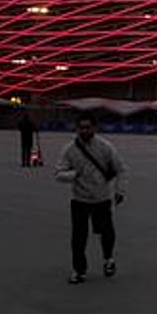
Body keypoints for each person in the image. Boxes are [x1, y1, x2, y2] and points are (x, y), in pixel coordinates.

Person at [55, 113, 128, 284]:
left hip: (102, 198)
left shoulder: (105, 147)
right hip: (80, 199)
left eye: (88, 127)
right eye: (81, 127)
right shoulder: (69, 150)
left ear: (95, 128)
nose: (84, 131)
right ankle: (79, 270)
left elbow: (121, 169)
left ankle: (108, 259)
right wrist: (74, 174)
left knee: (107, 233)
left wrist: (120, 191)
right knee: (78, 237)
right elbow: (58, 173)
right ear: (76, 129)